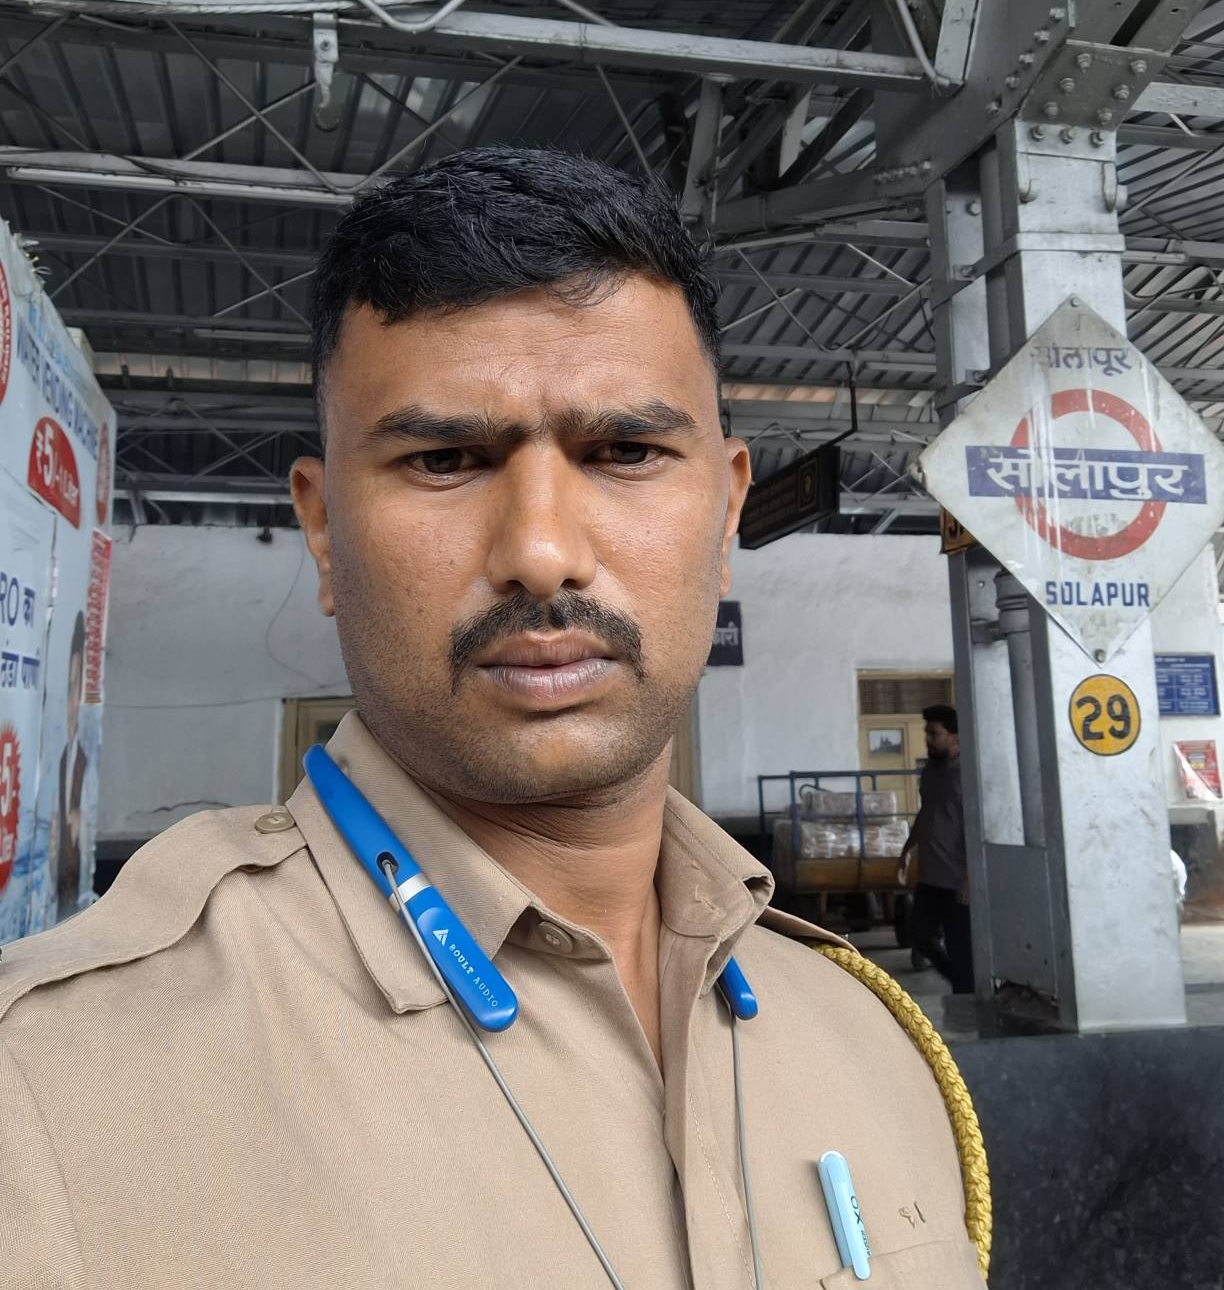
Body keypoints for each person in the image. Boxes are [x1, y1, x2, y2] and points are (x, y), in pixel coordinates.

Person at [0, 150, 985, 1288]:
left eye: (625, 451)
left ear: (725, 514)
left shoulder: (875, 1045)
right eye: (445, 459)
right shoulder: (53, 1096)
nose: (542, 552)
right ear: (322, 531)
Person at [899, 704, 974, 996]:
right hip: (930, 876)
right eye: (927, 733)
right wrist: (907, 849)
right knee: (920, 935)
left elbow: (974, 827)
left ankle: (965, 994)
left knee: (960, 948)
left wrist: (969, 878)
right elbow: (926, 813)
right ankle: (961, 981)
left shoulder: (969, 775)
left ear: (955, 738)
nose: (928, 739)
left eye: (934, 733)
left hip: (958, 882)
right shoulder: (931, 772)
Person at [53, 612, 88, 920]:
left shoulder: (83, 762)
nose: (70, 703)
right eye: (67, 687)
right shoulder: (60, 759)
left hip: (72, 909)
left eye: (75, 688)